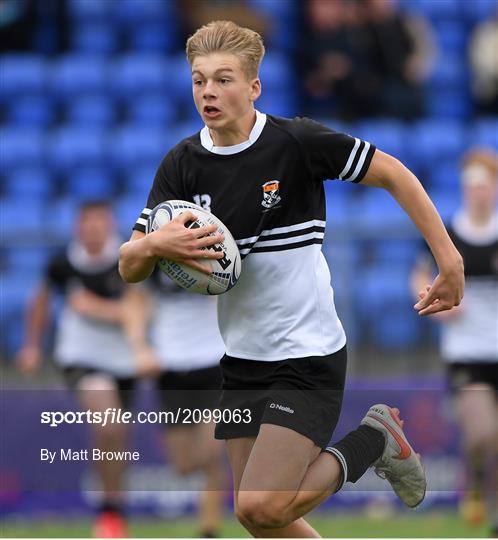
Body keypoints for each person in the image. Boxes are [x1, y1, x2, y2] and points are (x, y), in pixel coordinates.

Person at [119, 21, 464, 538]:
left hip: (306, 355)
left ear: (254, 86)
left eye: (223, 79)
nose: (208, 92)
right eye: (198, 80)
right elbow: (129, 265)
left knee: (261, 507)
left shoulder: (296, 143)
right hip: (241, 361)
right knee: (261, 520)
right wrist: (154, 244)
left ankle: (375, 438)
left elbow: (394, 172)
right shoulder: (182, 165)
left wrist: (449, 260)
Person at [17, 201, 138, 538]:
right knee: (108, 419)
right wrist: (32, 345)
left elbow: (139, 311)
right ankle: (109, 513)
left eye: (100, 222)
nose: (93, 229)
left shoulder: (129, 257)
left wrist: (95, 308)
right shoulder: (62, 264)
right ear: (77, 227)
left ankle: (115, 508)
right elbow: (40, 301)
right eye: (87, 223)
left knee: (116, 437)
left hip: (126, 360)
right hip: (80, 357)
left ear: (111, 224)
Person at [411, 148, 498, 536]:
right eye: (472, 185)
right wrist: (438, 305)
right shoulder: (449, 233)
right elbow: (418, 276)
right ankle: (476, 480)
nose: (478, 192)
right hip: (466, 352)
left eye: (485, 185)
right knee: (483, 433)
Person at [124, 269, 227, 538]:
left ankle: (208, 530)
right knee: (183, 465)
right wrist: (140, 347)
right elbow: (135, 301)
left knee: (210, 453)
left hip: (214, 362)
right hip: (170, 367)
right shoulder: (154, 257)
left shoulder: (214, 248)